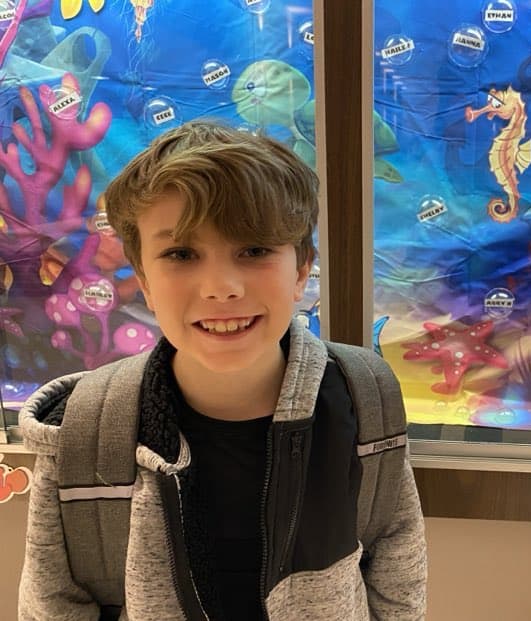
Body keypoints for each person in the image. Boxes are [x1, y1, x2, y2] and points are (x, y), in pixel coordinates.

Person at [18, 120, 427, 620]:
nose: (221, 287)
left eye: (253, 249)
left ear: (301, 270)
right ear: (143, 280)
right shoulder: (86, 431)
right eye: (181, 254)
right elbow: (53, 605)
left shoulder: (364, 400)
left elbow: (397, 578)